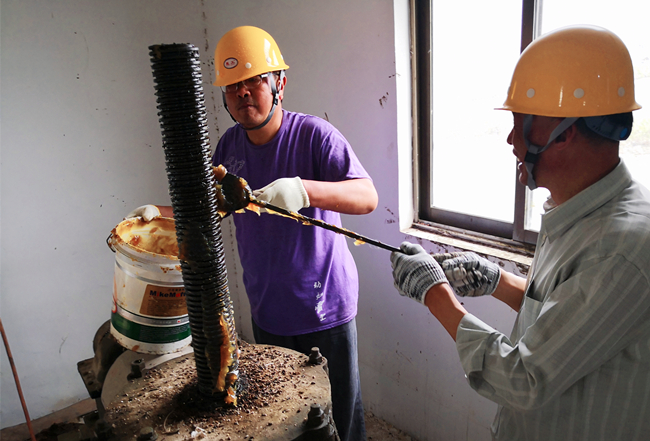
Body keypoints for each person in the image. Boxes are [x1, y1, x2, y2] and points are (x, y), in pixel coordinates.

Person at [390, 25, 650, 440]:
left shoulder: (621, 250)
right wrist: (496, 280)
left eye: (521, 123)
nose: (512, 139)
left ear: (565, 133)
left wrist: (434, 294)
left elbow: (524, 379)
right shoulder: (579, 210)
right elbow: (564, 309)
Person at [129, 25, 375, 441]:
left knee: (338, 417)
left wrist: (304, 190)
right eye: (232, 86)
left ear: (280, 83)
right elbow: (208, 207)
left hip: (324, 308)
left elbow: (366, 196)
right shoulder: (229, 148)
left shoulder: (314, 135)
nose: (243, 92)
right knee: (286, 421)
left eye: (255, 80)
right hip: (268, 311)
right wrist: (157, 215)